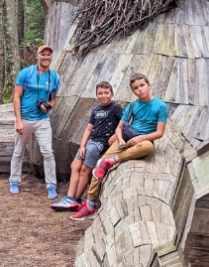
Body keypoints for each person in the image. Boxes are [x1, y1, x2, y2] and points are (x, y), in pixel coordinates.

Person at [71, 73, 167, 220]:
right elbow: (119, 127)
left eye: (142, 85)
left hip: (144, 139)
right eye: (136, 88)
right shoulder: (132, 105)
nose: (140, 89)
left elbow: (159, 133)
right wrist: (121, 140)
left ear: (149, 85)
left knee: (148, 147)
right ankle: (90, 204)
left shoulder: (160, 106)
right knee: (99, 165)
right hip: (126, 138)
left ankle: (114, 160)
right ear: (133, 91)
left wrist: (140, 138)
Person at [51, 81, 122, 211]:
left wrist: (116, 136)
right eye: (100, 93)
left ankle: (76, 200)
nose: (103, 95)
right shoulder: (96, 110)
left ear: (112, 94)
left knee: (85, 169)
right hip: (90, 142)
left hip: (100, 144)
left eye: (106, 93)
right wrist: (82, 145)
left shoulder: (116, 108)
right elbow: (88, 130)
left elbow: (124, 124)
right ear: (96, 95)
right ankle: (69, 197)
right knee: (75, 166)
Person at [10, 45, 61, 198]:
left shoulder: (54, 77)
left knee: (47, 152)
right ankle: (14, 181)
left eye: (48, 55)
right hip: (25, 118)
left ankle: (51, 185)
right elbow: (16, 97)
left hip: (42, 120)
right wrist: (18, 121)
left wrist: (48, 107)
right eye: (43, 54)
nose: (46, 57)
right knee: (19, 151)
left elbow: (53, 99)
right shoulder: (26, 73)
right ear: (38, 56)